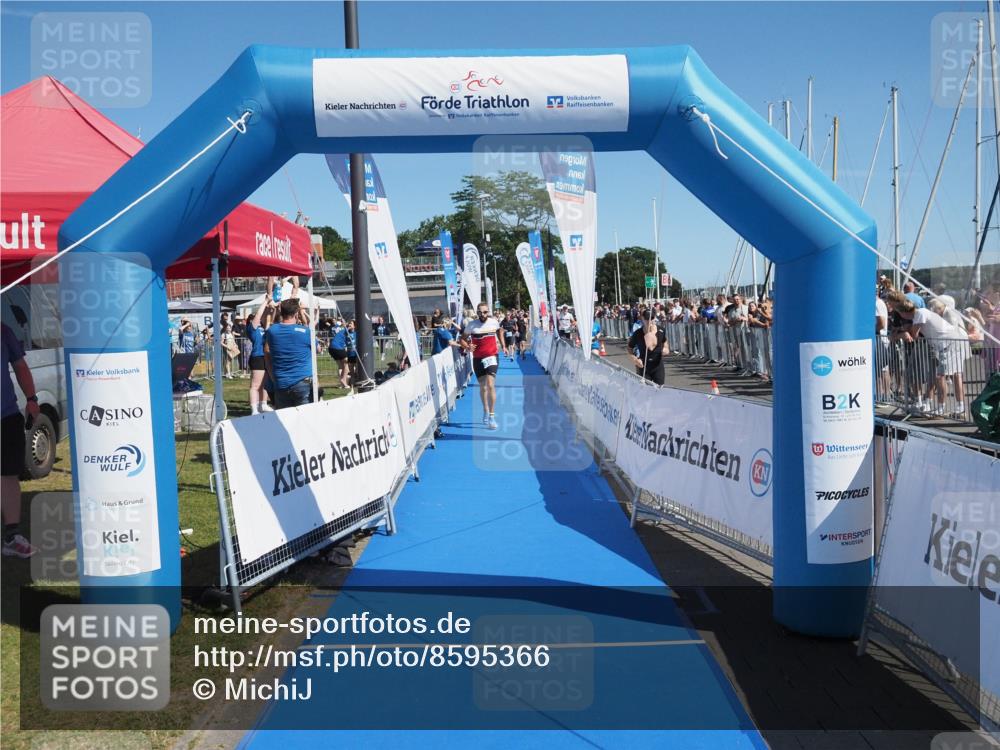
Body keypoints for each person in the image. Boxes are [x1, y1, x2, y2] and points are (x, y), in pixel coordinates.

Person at [2, 323, 38, 557]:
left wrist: (32, 399)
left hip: (6, 415)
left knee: (8, 475)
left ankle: (11, 536)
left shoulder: (3, 331)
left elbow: (20, 366)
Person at [461, 302, 508, 430]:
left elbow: (499, 332)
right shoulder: (471, 325)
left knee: (490, 385)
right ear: (477, 312)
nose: (483, 314)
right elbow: (462, 339)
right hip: (478, 358)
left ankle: (492, 416)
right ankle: (485, 410)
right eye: (480, 312)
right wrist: (468, 346)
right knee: (483, 387)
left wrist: (503, 346)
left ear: (488, 312)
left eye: (485, 312)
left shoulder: (494, 322)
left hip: (492, 356)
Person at [264, 299, 314, 409]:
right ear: (296, 314)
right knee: (305, 417)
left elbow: (266, 352)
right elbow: (317, 349)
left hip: (281, 382)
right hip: (302, 381)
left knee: (284, 417)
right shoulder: (306, 332)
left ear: (281, 312)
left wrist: (272, 376)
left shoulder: (272, 331)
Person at [628, 310, 670, 385]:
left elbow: (665, 344)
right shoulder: (638, 333)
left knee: (660, 389)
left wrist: (666, 349)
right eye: (647, 318)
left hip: (658, 366)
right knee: (645, 389)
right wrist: (635, 359)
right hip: (643, 366)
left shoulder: (661, 330)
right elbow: (629, 348)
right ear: (642, 318)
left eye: (652, 318)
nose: (650, 321)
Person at [246, 302, 273, 414]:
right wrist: (265, 301)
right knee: (255, 385)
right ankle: (254, 408)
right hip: (258, 357)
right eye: (254, 319)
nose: (257, 319)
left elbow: (267, 318)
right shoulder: (251, 329)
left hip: (265, 357)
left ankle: (263, 404)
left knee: (264, 384)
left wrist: (270, 308)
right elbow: (258, 315)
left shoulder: (262, 328)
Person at [328, 317, 351, 389]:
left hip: (331, 348)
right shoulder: (346, 330)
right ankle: (343, 380)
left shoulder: (342, 330)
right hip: (337, 348)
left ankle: (342, 384)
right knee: (347, 366)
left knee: (341, 366)